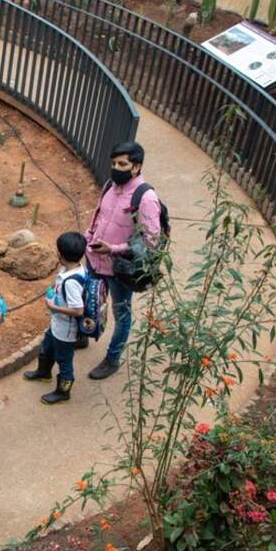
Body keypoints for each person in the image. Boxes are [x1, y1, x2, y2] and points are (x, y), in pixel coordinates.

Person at [85, 142, 162, 380]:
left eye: (122, 164)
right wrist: (88, 238)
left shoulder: (146, 198)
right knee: (89, 302)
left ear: (136, 167)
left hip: (120, 270)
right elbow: (98, 216)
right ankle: (83, 335)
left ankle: (112, 358)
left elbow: (151, 241)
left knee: (122, 314)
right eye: (114, 163)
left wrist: (114, 249)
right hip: (94, 259)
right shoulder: (110, 185)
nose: (116, 168)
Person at [23, 232, 87, 404]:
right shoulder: (74, 269)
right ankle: (44, 372)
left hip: (66, 330)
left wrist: (53, 307)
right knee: (47, 346)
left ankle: (63, 391)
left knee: (64, 360)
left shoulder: (71, 282)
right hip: (57, 324)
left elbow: (78, 310)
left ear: (61, 255)